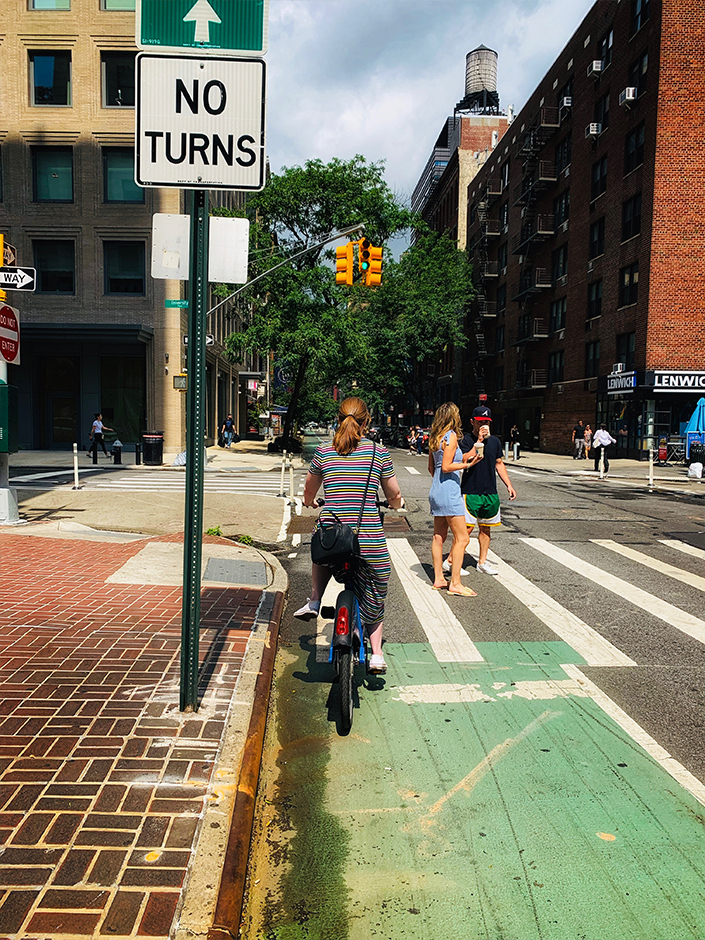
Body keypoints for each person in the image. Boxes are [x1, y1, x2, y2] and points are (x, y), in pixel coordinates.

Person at [296, 397, 404, 675]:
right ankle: (377, 654)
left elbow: (309, 491)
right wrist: (395, 504)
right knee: (377, 590)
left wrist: (310, 502)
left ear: (338, 418)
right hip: (367, 540)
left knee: (320, 549)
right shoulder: (379, 453)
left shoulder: (323, 452)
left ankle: (315, 599)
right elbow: (393, 494)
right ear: (366, 422)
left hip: (334, 536)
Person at [459, 405, 517, 575]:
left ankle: (482, 562)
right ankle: (455, 562)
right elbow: (464, 458)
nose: (483, 424)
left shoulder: (495, 441)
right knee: (466, 530)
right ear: (472, 422)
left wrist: (509, 485)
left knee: (486, 529)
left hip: (490, 491)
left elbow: (499, 463)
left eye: (486, 422)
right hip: (470, 490)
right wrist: (478, 441)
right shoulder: (466, 440)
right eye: (480, 422)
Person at [428, 402, 478, 596]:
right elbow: (448, 466)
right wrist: (466, 466)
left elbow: (433, 469)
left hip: (436, 490)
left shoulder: (435, 438)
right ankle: (455, 583)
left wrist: (465, 460)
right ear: (453, 417)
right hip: (449, 491)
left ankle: (439, 578)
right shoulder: (451, 436)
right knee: (462, 537)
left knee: (438, 536)